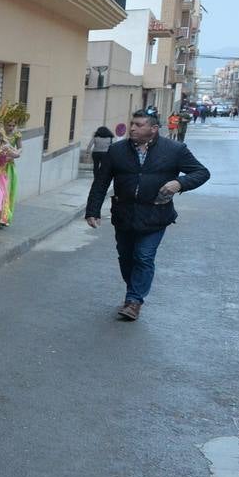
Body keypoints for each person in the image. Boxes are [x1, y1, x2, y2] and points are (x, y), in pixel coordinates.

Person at [84, 109, 210, 320]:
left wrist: (180, 183)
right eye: (132, 123)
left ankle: (134, 301)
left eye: (139, 125)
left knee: (143, 256)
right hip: (124, 215)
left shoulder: (174, 150)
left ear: (153, 129)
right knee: (126, 258)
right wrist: (92, 210)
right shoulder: (116, 151)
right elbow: (101, 182)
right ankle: (134, 290)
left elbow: (201, 172)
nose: (133, 128)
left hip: (156, 215)